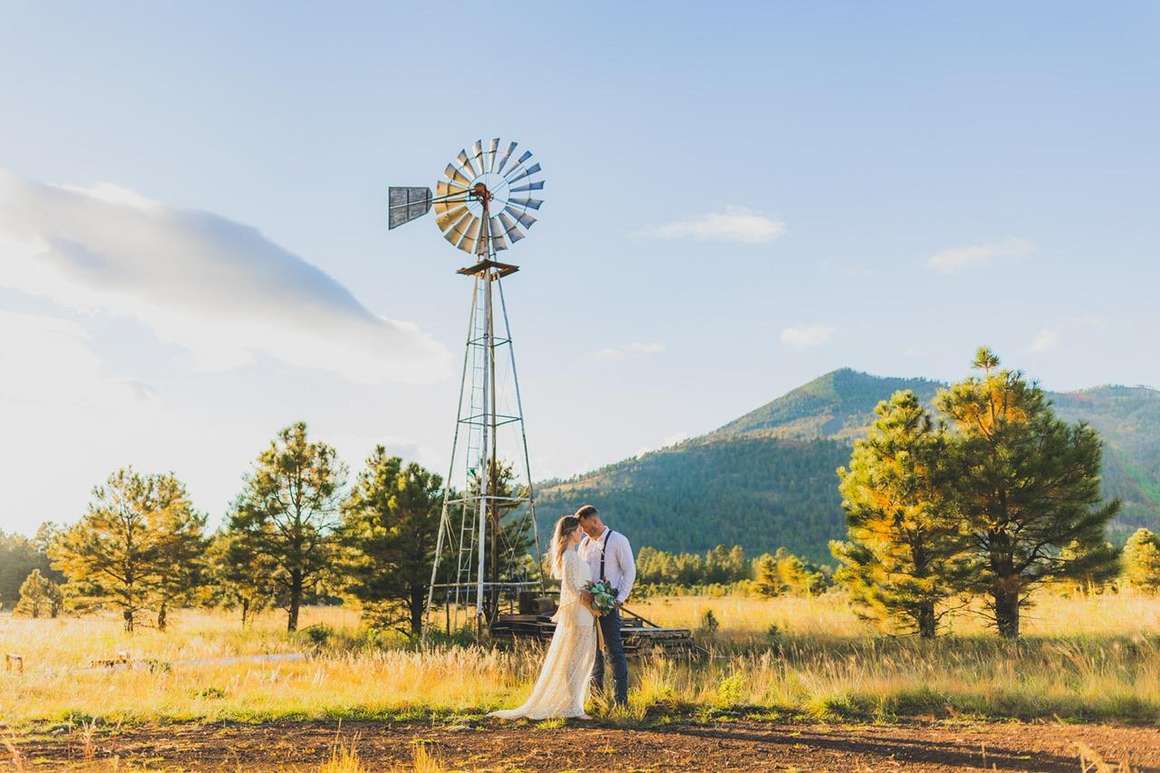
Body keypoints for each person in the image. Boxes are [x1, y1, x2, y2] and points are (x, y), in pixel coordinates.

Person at [488, 515, 597, 720]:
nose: (581, 532)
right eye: (578, 530)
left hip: (586, 612)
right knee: (574, 659)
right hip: (579, 612)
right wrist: (591, 599)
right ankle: (573, 706)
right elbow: (573, 587)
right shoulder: (568, 557)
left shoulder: (574, 554)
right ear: (570, 533)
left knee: (580, 658)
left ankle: (574, 704)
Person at [576, 504, 636, 706]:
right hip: (587, 607)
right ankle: (597, 700)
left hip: (608, 605)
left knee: (614, 651)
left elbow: (629, 571)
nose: (583, 531)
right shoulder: (583, 545)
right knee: (593, 653)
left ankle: (621, 701)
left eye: (585, 527)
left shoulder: (618, 540)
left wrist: (620, 598)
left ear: (595, 521)